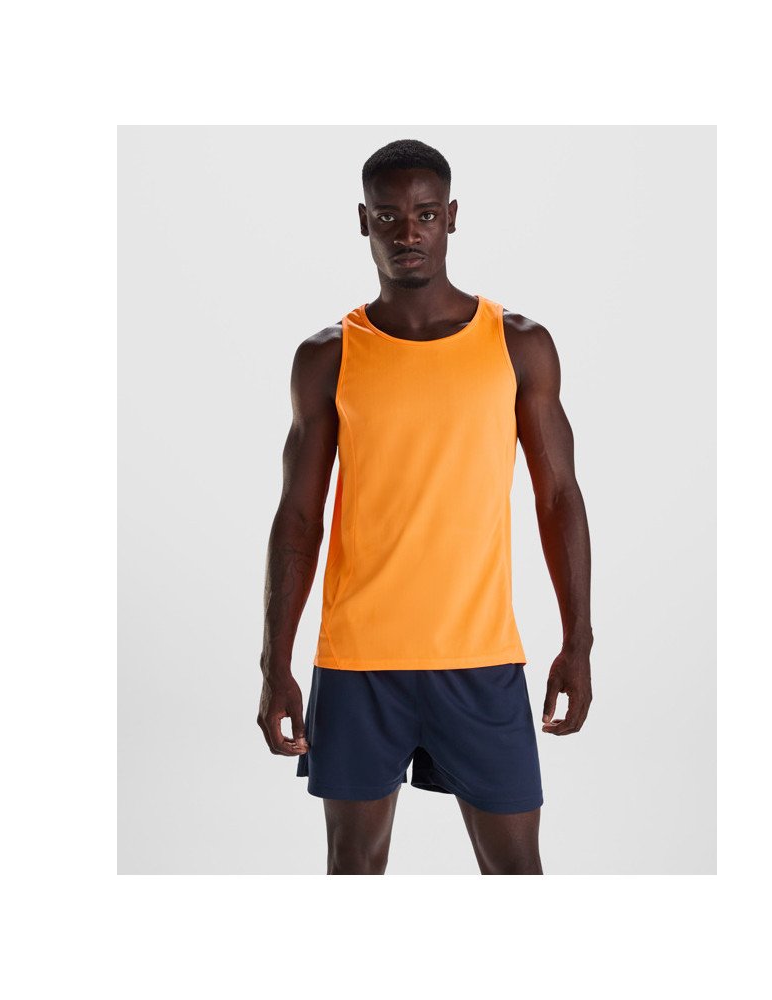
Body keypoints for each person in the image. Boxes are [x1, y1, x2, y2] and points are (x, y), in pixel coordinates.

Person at [258, 138, 593, 875]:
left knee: (516, 872)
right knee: (353, 867)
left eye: (426, 214)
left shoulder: (518, 345)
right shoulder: (329, 355)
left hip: (480, 660)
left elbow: (559, 497)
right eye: (388, 216)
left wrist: (579, 641)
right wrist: (274, 662)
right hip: (357, 662)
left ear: (452, 217)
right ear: (363, 221)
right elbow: (298, 518)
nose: (407, 232)